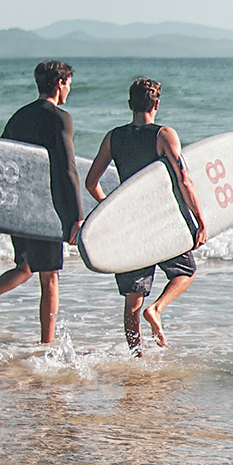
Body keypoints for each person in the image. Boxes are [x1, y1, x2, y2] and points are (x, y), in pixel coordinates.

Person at [85, 77, 206, 352]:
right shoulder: (163, 135)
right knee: (186, 271)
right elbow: (184, 179)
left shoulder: (113, 137)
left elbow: (91, 182)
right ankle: (157, 309)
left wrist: (110, 209)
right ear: (156, 104)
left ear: (130, 105)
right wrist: (200, 221)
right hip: (161, 220)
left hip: (130, 224)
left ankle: (136, 357)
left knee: (132, 299)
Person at [0, 62, 84, 344]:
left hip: (18, 207)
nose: (69, 90)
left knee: (26, 267)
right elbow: (68, 168)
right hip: (45, 208)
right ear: (59, 83)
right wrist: (77, 216)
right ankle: (47, 344)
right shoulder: (60, 118)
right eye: (68, 84)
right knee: (50, 278)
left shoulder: (19, 117)